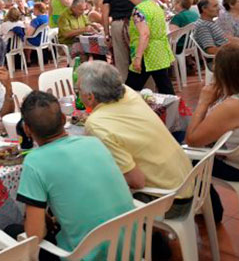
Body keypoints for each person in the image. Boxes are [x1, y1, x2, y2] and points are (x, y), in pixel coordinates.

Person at [16, 91, 134, 261]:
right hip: (131, 247)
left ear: (27, 129)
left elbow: (35, 234)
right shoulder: (94, 142)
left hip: (84, 256)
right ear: (64, 119)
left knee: (11, 232)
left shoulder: (34, 162)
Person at [78, 61, 193, 217]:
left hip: (170, 201)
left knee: (92, 191)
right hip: (188, 181)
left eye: (78, 90)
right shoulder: (128, 93)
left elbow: (136, 181)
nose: (77, 94)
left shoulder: (96, 124)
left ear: (90, 97)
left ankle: (146, 239)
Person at [186, 44, 239, 222]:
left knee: (185, 156)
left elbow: (192, 140)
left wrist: (203, 102)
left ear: (220, 73)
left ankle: (211, 210)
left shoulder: (234, 105)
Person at [125, 0, 175, 94]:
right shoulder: (154, 6)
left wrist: (138, 58)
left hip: (146, 53)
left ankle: (123, 111)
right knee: (165, 86)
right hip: (159, 51)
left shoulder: (139, 10)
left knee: (130, 91)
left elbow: (145, 34)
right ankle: (174, 110)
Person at [102, 0, 138, 80]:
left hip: (117, 25)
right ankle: (147, 92)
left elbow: (105, 13)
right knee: (140, 57)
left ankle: (126, 92)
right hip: (137, 23)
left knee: (121, 61)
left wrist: (107, 34)